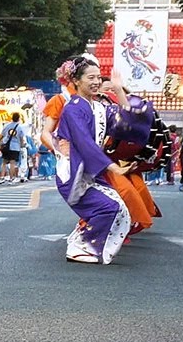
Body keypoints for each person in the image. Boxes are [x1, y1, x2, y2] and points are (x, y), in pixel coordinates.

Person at [52, 56, 152, 264]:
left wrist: (118, 91)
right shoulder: (73, 109)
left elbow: (125, 121)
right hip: (74, 172)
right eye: (91, 77)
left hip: (89, 171)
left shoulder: (98, 107)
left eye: (99, 77)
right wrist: (115, 168)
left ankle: (81, 242)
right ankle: (82, 245)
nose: (97, 81)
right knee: (109, 207)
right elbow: (84, 143)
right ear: (76, 81)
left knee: (118, 206)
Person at [0, 112, 27, 184]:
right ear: (18, 119)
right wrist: (22, 146)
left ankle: (2, 177)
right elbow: (21, 138)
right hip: (15, 147)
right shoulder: (19, 127)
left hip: (6, 146)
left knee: (4, 162)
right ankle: (11, 178)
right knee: (12, 163)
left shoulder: (7, 126)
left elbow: (2, 135)